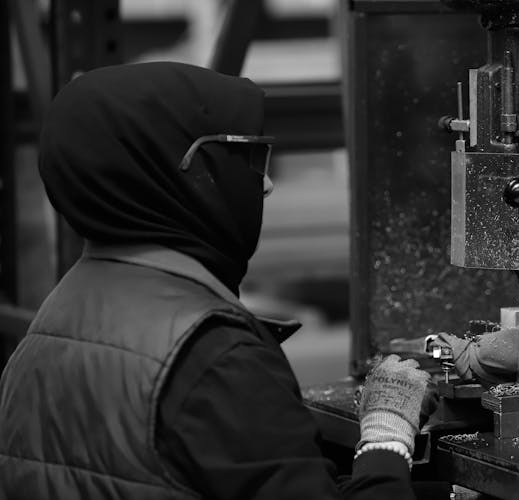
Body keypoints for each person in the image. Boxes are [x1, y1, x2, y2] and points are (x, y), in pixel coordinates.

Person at [0, 62, 444, 500]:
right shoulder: (215, 358)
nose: (266, 184)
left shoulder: (48, 326)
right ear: (187, 169)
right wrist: (387, 437)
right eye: (250, 160)